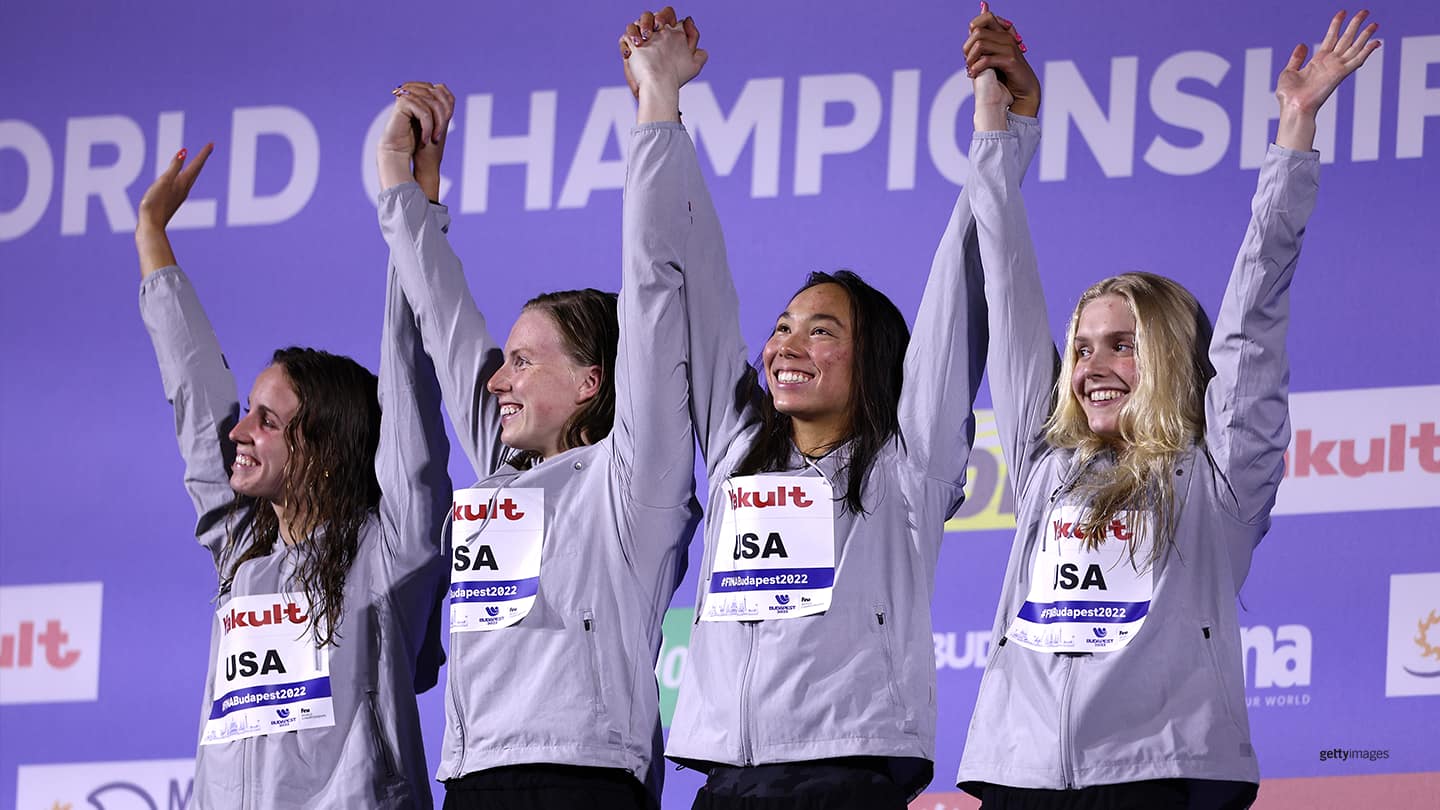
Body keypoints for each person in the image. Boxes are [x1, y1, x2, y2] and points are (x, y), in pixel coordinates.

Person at [956, 9, 1381, 809]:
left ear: (1173, 358)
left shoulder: (1218, 484)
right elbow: (1007, 286)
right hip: (1018, 779)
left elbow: (1254, 316)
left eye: (1123, 344)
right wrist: (995, 123)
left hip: (1164, 780)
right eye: (1082, 348)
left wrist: (1294, 131)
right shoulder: (1049, 464)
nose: (1091, 368)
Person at [619, 7, 1039, 807]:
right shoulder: (740, 447)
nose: (786, 347)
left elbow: (964, 283)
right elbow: (681, 269)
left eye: (821, 331)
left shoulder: (906, 467)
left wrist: (1003, 128)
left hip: (847, 777)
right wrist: (659, 107)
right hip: (722, 782)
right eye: (781, 330)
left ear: (873, 359)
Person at [375, 79, 702, 810]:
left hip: (583, 780)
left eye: (523, 361)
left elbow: (652, 291)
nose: (498, 380)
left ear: (591, 381)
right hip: (472, 778)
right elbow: (443, 318)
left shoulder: (632, 480)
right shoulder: (502, 471)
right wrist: (406, 187)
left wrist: (657, 109)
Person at [137, 143, 452, 808]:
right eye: (249, 414)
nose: (239, 432)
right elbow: (196, 399)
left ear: (326, 448)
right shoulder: (242, 551)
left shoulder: (389, 552)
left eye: (268, 422)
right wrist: (152, 240)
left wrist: (415, 212)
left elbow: (409, 383)